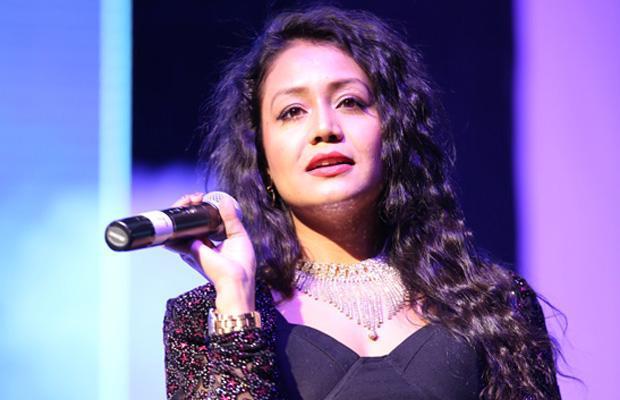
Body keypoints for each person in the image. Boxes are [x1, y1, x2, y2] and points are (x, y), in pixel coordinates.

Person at [163, 6, 561, 400]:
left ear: (393, 133)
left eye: (350, 102)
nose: (324, 128)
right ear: (262, 157)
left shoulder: (493, 303)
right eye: (292, 111)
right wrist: (236, 298)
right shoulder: (205, 317)